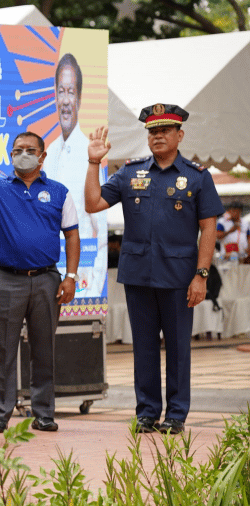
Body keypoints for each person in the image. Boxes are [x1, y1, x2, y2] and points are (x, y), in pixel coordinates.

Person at [84, 104, 223, 435]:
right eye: (152, 131)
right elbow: (93, 204)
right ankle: (147, 412)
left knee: (178, 350)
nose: (157, 136)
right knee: (144, 349)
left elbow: (209, 229)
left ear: (179, 135)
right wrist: (93, 163)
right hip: (139, 276)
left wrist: (201, 275)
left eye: (164, 130)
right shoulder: (130, 173)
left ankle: (176, 414)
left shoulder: (197, 176)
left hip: (178, 278)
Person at [0, 131, 80, 433]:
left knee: (44, 349)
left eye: (29, 150)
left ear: (42, 156)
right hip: (6, 279)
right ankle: (0, 413)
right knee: (2, 350)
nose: (23, 154)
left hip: (47, 280)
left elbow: (72, 234)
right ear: (10, 155)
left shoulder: (59, 191)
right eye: (17, 150)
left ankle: (44, 413)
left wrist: (71, 277)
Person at [43, 54, 108, 298]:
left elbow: (100, 231)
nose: (66, 100)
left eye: (71, 92)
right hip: (46, 273)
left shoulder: (90, 153)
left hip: (82, 280)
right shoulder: (47, 153)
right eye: (61, 91)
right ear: (55, 97)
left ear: (79, 98)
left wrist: (93, 288)